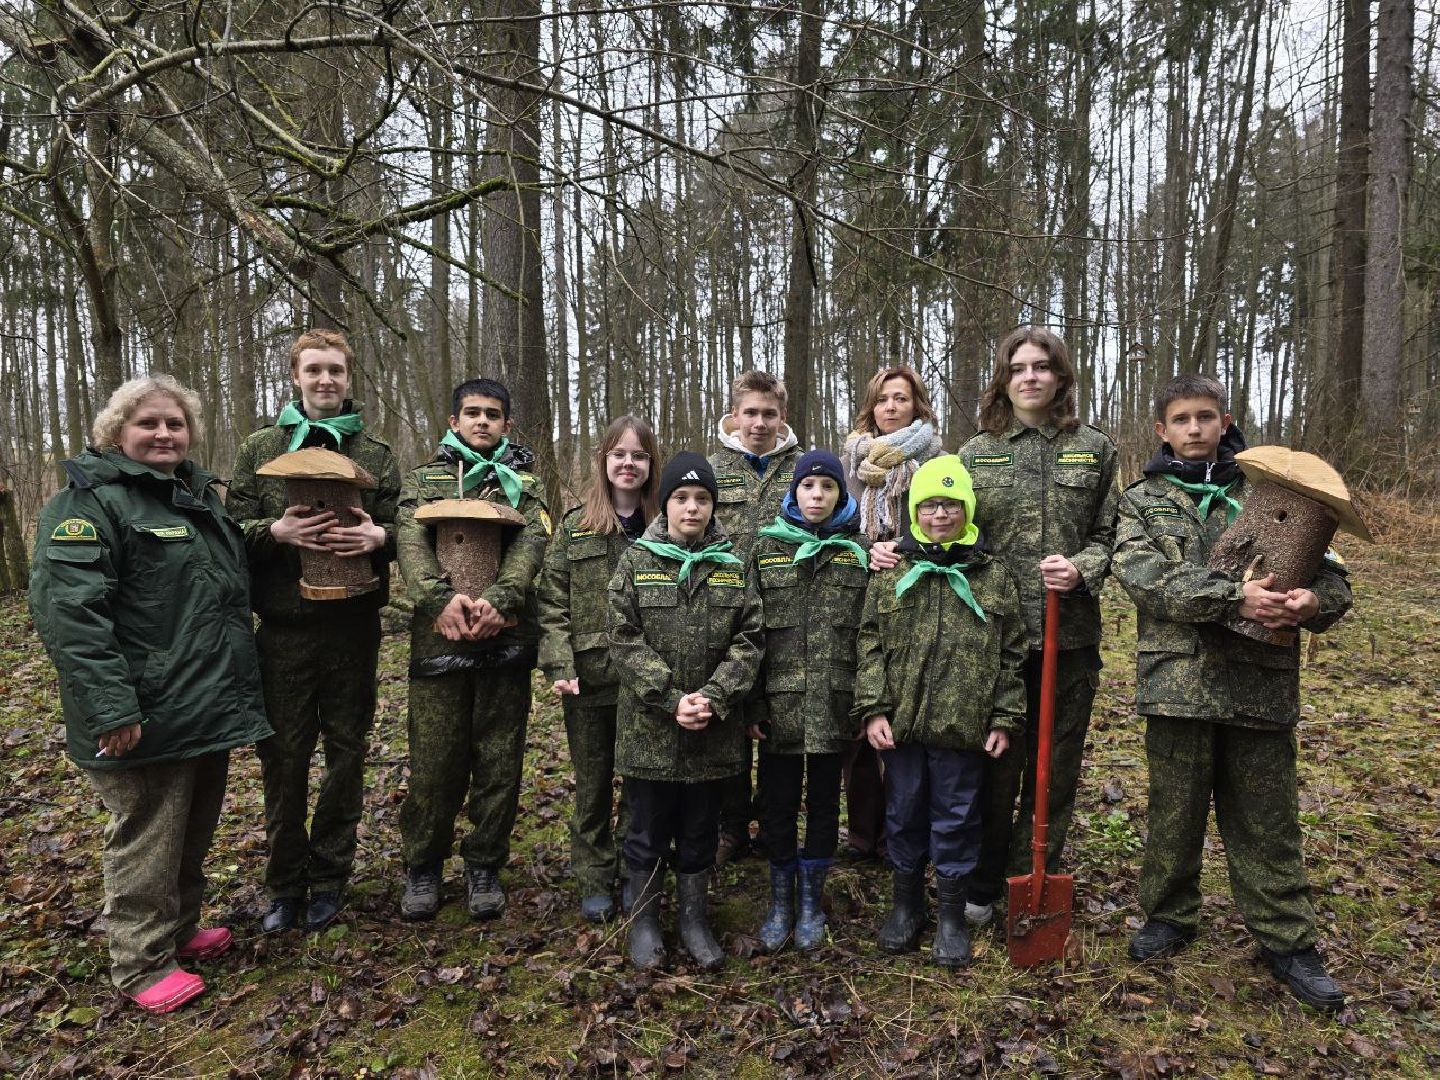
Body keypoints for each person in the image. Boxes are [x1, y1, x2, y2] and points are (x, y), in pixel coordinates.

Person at [29, 376, 272, 1014]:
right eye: (149, 424)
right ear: (117, 433)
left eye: (175, 424)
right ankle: (139, 963)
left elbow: (215, 581)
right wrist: (111, 709)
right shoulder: (88, 506)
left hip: (203, 703)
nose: (164, 434)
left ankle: (181, 930)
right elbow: (71, 616)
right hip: (140, 712)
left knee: (192, 827)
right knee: (147, 834)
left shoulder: (193, 496)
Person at [1111, 373, 1353, 1011]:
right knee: (1173, 812)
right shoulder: (1143, 501)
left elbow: (1334, 582)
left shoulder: (1275, 494)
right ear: (1161, 431)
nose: (1195, 429)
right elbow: (1143, 575)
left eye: (1207, 417)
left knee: (1267, 820)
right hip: (1178, 683)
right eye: (1182, 419)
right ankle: (1168, 916)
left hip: (1260, 688)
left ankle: (1288, 942)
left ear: (1225, 423)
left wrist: (1310, 602)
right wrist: (1232, 596)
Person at [229, 329, 401, 934]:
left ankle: (330, 876)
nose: (325, 381)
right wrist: (274, 533)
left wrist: (381, 538)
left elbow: (406, 530)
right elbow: (230, 532)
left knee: (346, 753)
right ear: (296, 377)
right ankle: (285, 885)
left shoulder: (375, 454)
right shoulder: (259, 449)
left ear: (349, 379)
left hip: (353, 628)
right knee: (284, 756)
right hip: (282, 632)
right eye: (314, 371)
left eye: (336, 371)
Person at [960, 327, 1119, 927]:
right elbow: (954, 535)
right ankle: (989, 875)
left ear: (1061, 378)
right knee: (997, 761)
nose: (1030, 376)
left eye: (1042, 367)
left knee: (1057, 763)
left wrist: (1081, 568)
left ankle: (1040, 871)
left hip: (1069, 636)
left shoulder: (1095, 449)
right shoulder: (978, 453)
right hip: (996, 640)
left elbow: (1113, 535)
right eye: (1018, 367)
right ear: (1004, 379)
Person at [854, 455, 1024, 967]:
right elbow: (869, 644)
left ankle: (950, 915)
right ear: (914, 511)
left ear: (967, 509)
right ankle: (907, 906)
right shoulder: (892, 570)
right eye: (929, 505)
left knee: (956, 817)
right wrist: (874, 710)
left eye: (951, 504)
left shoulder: (991, 574)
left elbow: (1013, 650)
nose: (941, 514)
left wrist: (1003, 717)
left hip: (964, 727)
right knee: (903, 813)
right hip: (902, 727)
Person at [396, 378, 551, 921]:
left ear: (507, 424)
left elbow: (534, 541)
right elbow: (409, 540)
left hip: (503, 641)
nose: (481, 421)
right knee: (435, 763)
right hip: (437, 643)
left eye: (492, 414)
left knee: (499, 760)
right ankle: (423, 865)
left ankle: (484, 863)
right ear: (454, 420)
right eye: (471, 413)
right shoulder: (424, 481)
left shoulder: (524, 485)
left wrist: (502, 599)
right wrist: (437, 599)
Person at [608, 454, 763, 970]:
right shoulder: (636, 560)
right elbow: (622, 637)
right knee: (646, 827)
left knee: (701, 828)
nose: (691, 507)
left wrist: (714, 699)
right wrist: (671, 698)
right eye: (681, 498)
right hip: (650, 729)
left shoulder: (733, 564)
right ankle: (646, 921)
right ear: (665, 503)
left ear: (713, 505)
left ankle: (694, 920)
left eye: (702, 499)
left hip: (711, 733)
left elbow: (750, 639)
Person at [538, 416, 661, 922]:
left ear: (651, 464)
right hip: (588, 678)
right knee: (592, 785)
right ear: (603, 461)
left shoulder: (666, 525)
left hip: (648, 681)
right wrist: (559, 662)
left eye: (638, 455)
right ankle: (593, 874)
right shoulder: (575, 525)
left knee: (640, 781)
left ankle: (637, 871)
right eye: (618, 455)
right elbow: (551, 601)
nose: (627, 464)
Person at [749, 450, 871, 953]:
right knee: (777, 803)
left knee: (823, 803)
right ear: (792, 492)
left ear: (841, 495)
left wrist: (866, 703)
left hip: (833, 704)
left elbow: (871, 634)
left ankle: (811, 903)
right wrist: (751, 704)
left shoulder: (859, 552)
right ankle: (780, 901)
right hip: (779, 706)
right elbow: (749, 632)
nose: (816, 496)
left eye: (827, 487)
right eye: (807, 487)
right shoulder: (765, 549)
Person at [840, 367, 945, 862]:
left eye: (901, 398)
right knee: (861, 717)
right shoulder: (852, 462)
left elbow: (950, 519)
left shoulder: (936, 459)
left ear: (916, 405)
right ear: (871, 406)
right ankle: (865, 833)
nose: (890, 407)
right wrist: (867, 547)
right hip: (858, 593)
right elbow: (835, 523)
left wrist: (903, 548)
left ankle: (907, 834)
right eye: (882, 399)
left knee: (906, 712)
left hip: (914, 594)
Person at [707, 371, 802, 863]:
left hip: (789, 618)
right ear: (734, 415)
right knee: (731, 718)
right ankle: (730, 826)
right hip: (726, 616)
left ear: (781, 417)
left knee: (780, 723)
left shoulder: (802, 469)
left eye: (769, 414)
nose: (759, 423)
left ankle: (773, 822)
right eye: (751, 413)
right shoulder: (712, 468)